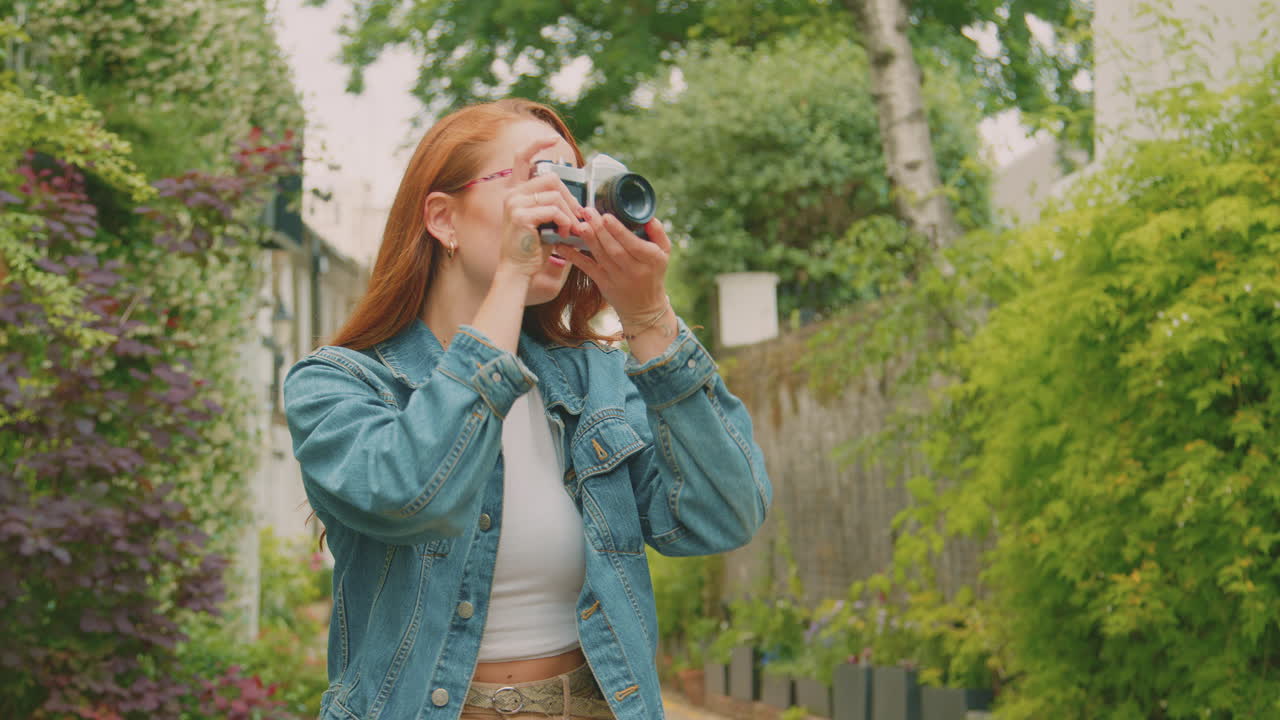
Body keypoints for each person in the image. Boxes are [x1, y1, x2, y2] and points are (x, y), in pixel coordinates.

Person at [283, 98, 771, 720]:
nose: (564, 210)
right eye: (541, 179)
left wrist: (649, 317)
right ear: (443, 219)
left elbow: (723, 517)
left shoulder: (595, 380)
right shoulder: (342, 383)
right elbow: (414, 496)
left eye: (575, 187)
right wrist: (512, 278)